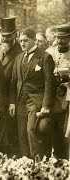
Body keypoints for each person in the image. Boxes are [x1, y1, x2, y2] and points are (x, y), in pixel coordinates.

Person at [9, 28, 56, 158]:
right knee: (22, 133)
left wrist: (45, 105)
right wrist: (12, 102)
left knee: (32, 131)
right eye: (20, 41)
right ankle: (26, 163)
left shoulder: (44, 57)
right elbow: (14, 82)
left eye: (25, 40)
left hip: (35, 101)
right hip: (20, 101)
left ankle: (38, 163)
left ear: (34, 40)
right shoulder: (18, 58)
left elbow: (49, 83)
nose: (22, 43)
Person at [0, 17, 22, 156]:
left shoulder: (20, 52)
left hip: (13, 100)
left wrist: (12, 102)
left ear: (15, 35)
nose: (5, 39)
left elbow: (16, 81)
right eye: (3, 36)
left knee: (12, 136)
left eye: (8, 36)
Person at [47, 24, 70, 159]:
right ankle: (56, 156)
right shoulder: (49, 52)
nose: (60, 41)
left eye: (64, 38)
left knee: (65, 129)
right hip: (52, 97)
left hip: (66, 97)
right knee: (52, 128)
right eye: (58, 38)